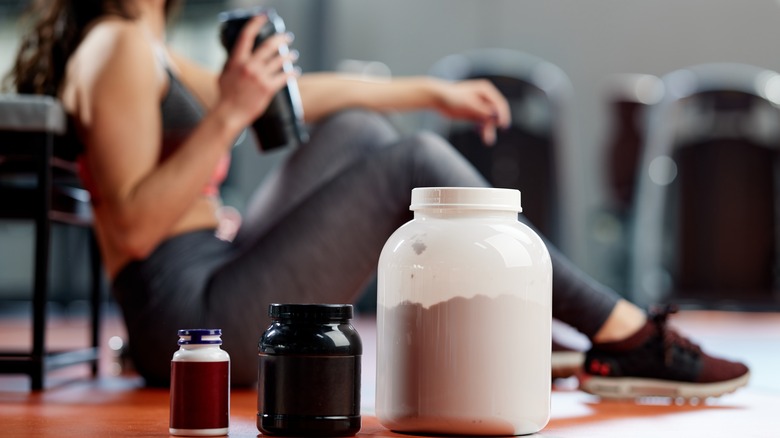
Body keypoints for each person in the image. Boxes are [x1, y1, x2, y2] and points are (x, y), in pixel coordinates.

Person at [5, 0, 749, 400]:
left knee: (362, 130)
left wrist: (430, 90)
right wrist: (231, 114)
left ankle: (517, 323)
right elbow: (132, 229)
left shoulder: (146, 44)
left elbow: (312, 97)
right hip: (190, 318)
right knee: (412, 164)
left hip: (205, 278)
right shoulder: (117, 47)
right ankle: (623, 336)